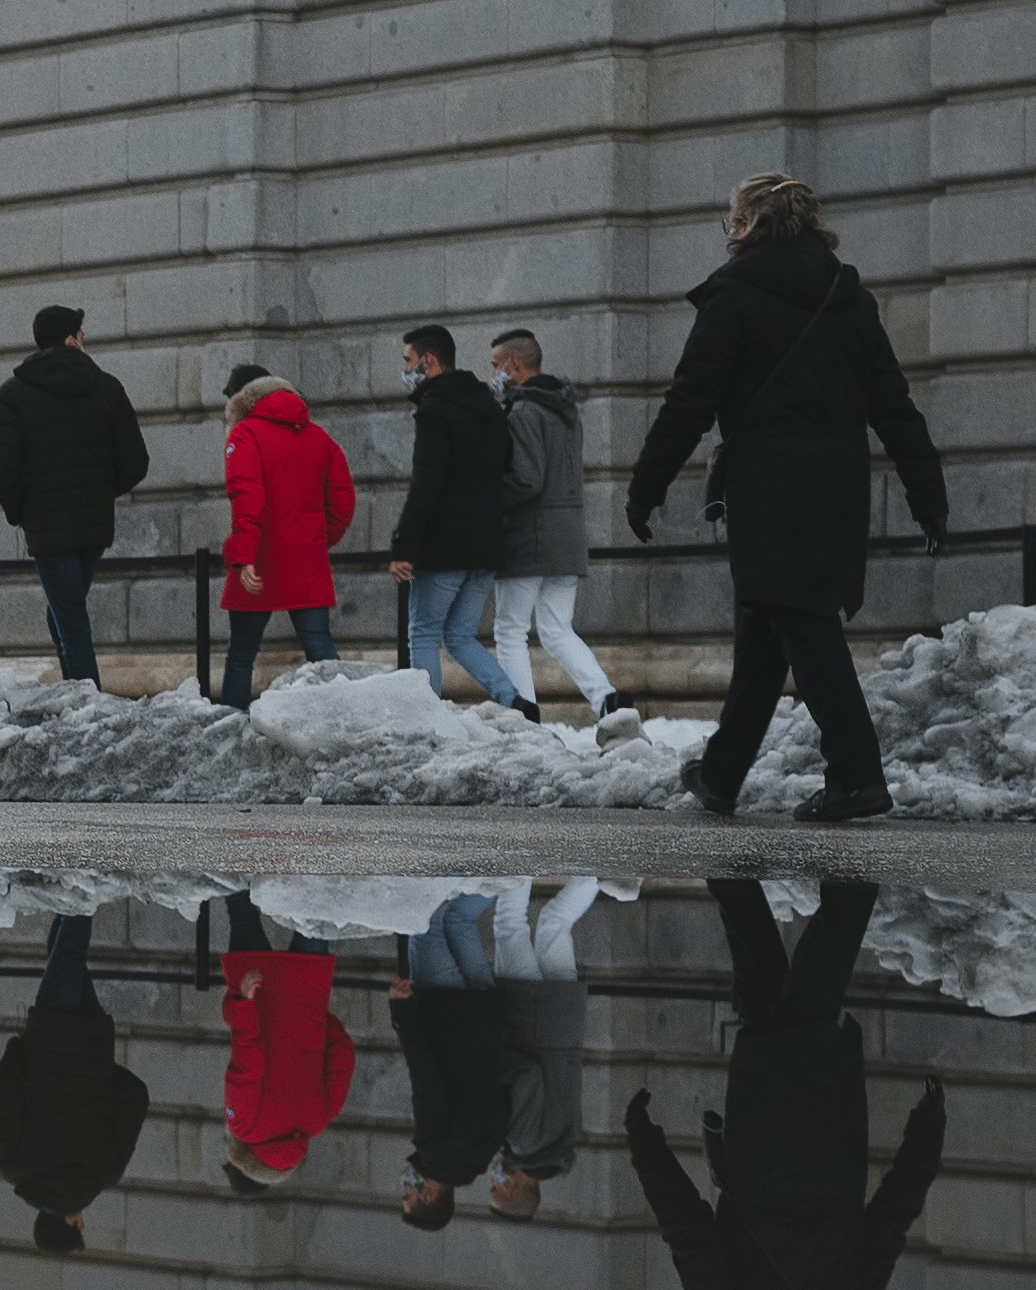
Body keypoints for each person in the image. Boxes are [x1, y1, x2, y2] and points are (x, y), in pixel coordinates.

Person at [627, 168, 947, 821]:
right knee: (766, 629)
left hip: (767, 486)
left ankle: (857, 775)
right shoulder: (848, 299)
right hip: (837, 487)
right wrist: (928, 496)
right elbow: (894, 406)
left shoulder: (735, 294)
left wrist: (647, 483)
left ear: (744, 224)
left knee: (801, 622)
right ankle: (721, 774)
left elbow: (692, 400)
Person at [625, 880, 944, 1290]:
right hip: (762, 1152)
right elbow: (687, 1232)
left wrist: (927, 1133)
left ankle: (737, 875)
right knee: (798, 1009)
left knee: (780, 1012)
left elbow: (891, 1222)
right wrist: (644, 1142)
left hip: (837, 1151)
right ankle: (850, 879)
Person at [0, 310, 151, 690]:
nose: (85, 336)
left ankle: (85, 705)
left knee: (70, 618)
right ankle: (75, 696)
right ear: (71, 339)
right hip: (93, 526)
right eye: (80, 332)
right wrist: (97, 494)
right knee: (65, 611)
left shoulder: (14, 393)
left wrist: (21, 511)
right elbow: (135, 462)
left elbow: (0, 466)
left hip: (47, 526)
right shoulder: (108, 387)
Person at [0, 916, 150, 1254]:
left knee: (65, 955)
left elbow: (136, 1096)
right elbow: (2, 1095)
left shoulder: (106, 1173)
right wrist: (19, 1050)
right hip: (48, 1036)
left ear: (70, 1221)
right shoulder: (14, 1166)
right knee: (68, 952)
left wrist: (99, 1071)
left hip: (92, 1040)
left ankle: (79, 881)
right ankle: (81, 883)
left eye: (79, 1225)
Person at [389, 326, 531, 709]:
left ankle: (427, 718)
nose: (404, 369)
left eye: (407, 360)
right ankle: (512, 699)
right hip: (486, 544)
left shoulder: (434, 412)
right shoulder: (489, 407)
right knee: (461, 635)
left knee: (423, 631)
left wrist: (404, 544)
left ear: (428, 360)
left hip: (446, 544)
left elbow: (427, 483)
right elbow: (503, 469)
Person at [485, 327, 619, 716]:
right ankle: (606, 699)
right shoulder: (566, 410)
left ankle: (523, 716)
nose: (492, 373)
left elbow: (527, 479)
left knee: (509, 629)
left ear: (514, 364)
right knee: (558, 629)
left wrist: (487, 495)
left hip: (530, 536)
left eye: (495, 366)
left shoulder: (523, 411)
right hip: (567, 536)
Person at [216, 365, 356, 709]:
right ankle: (346, 714)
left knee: (241, 654)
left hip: (259, 557)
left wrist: (245, 555)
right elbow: (342, 501)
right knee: (320, 648)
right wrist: (318, 540)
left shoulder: (244, 434)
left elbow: (247, 498)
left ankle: (230, 726)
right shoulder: (320, 437)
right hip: (305, 557)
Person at [388, 899, 517, 1226]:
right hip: (446, 1010)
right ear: (428, 1194)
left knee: (461, 919)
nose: (404, 1185)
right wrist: (402, 1015)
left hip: (484, 1013)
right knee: (423, 921)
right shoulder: (433, 1147)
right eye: (408, 1195)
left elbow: (503, 1087)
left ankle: (509, 867)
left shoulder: (486, 1151)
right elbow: (424, 1073)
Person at [480, 871, 602, 1211]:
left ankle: (595, 873)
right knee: (509, 925)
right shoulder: (523, 1142)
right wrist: (486, 1057)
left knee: (555, 923)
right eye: (496, 1188)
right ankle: (520, 855)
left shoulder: (561, 1145)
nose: (493, 1179)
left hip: (563, 1020)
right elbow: (526, 1076)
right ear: (515, 1188)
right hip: (530, 1019)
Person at [218, 906, 353, 1197]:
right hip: (256, 998)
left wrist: (314, 1021)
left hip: (306, 991)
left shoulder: (319, 1120)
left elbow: (342, 1053)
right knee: (243, 912)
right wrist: (243, 1005)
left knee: (315, 910)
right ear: (245, 1161)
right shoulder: (244, 1126)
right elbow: (247, 1063)